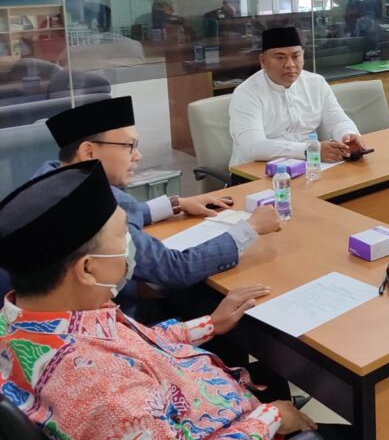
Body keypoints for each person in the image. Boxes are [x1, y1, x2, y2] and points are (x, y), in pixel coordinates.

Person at [0, 161, 321, 440]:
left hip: (202, 399)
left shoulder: (32, 318)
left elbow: (134, 345)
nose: (132, 243)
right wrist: (271, 418)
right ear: (86, 269)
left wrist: (210, 324)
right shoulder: (106, 396)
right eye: (123, 233)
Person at [0, 96, 283, 316]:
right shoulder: (78, 209)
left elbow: (123, 209)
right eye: (129, 146)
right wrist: (251, 227)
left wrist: (176, 203)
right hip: (116, 322)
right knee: (219, 305)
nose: (138, 156)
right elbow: (176, 269)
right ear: (88, 151)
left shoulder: (57, 178)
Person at [230, 26, 369, 166]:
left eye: (296, 56)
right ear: (263, 61)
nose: (290, 65)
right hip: (256, 173)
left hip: (309, 167)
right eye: (280, 57)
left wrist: (348, 136)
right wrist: (311, 150)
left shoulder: (316, 83)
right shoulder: (246, 94)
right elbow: (255, 147)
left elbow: (338, 120)